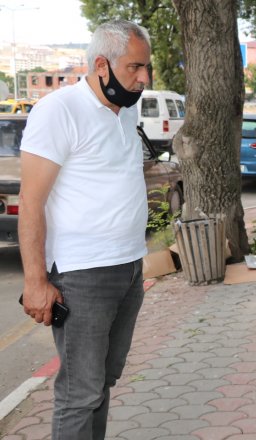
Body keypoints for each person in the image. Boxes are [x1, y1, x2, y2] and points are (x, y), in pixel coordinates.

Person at [18, 20, 152, 439]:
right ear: (101, 65)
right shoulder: (58, 111)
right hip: (83, 275)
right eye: (135, 67)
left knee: (103, 382)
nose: (144, 77)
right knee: (80, 392)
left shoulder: (126, 110)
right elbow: (31, 202)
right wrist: (36, 281)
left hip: (129, 267)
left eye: (146, 67)